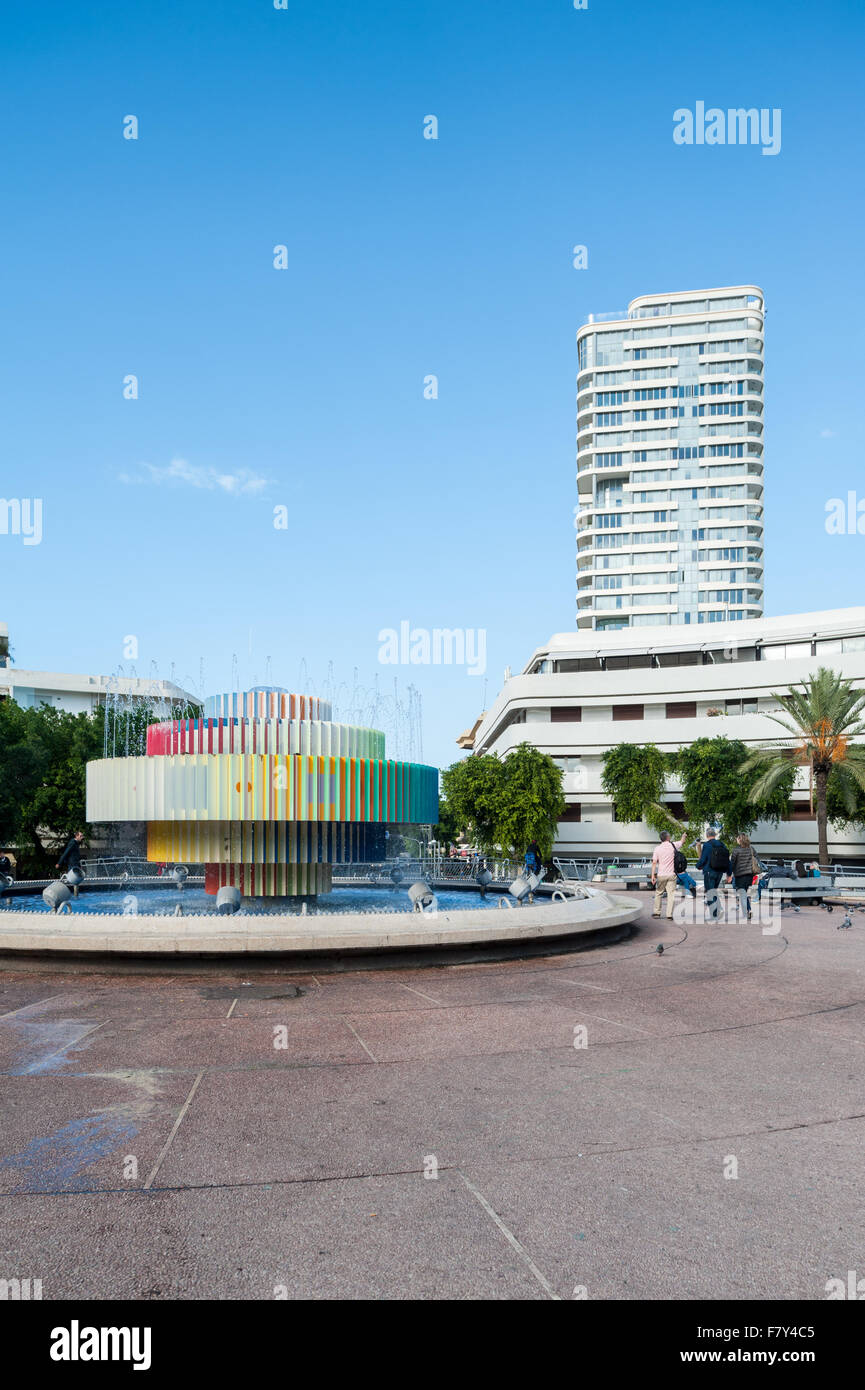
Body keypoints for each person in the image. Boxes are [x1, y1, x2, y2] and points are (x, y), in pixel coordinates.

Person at [651, 829, 688, 920]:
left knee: (659, 893)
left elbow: (654, 863)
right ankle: (669, 915)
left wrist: (652, 875)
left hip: (661, 875)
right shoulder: (673, 845)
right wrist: (684, 835)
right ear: (668, 837)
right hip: (671, 874)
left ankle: (657, 913)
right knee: (671, 894)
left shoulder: (657, 848)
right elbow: (682, 842)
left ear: (661, 839)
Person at [696, 828, 730, 920]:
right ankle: (718, 909)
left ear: (707, 835)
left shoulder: (707, 845)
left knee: (710, 893)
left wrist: (698, 866)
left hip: (709, 872)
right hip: (719, 872)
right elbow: (727, 860)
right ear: (715, 835)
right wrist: (729, 873)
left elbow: (703, 859)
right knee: (713, 891)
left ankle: (715, 914)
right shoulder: (722, 844)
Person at [728, 833, 758, 921]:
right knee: (743, 893)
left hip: (740, 876)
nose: (736, 840)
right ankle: (747, 910)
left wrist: (729, 874)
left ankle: (747, 911)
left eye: (737, 838)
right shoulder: (751, 849)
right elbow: (757, 860)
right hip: (749, 875)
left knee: (742, 894)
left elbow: (732, 863)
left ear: (740, 839)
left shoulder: (736, 850)